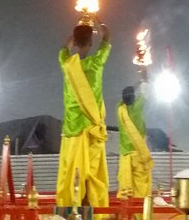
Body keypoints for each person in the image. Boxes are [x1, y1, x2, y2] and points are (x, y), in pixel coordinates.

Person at [56, 17, 111, 209]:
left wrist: (67, 43)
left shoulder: (67, 65)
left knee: (70, 176)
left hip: (72, 132)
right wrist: (99, 27)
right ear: (90, 42)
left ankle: (67, 213)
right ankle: (96, 213)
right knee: (94, 176)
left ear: (75, 41)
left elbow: (63, 52)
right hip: (92, 132)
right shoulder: (96, 65)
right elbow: (106, 42)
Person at [116, 81, 153, 200]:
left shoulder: (120, 110)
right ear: (134, 97)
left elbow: (127, 96)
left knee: (126, 189)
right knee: (140, 187)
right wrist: (143, 80)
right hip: (138, 155)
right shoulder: (137, 106)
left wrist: (134, 86)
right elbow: (145, 92)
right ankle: (141, 215)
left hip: (125, 156)